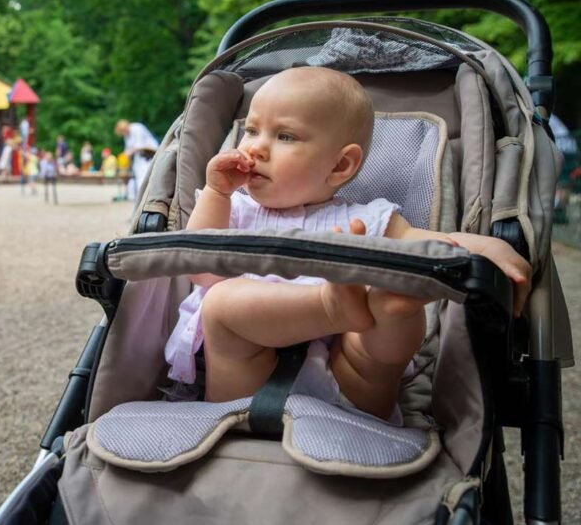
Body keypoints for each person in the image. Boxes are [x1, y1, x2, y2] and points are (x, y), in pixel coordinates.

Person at [165, 67, 531, 422]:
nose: (256, 148)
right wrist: (216, 193)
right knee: (222, 303)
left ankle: (394, 308)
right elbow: (202, 270)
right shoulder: (234, 210)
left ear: (341, 165)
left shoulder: (366, 221)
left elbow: (432, 244)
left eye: (285, 136)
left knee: (388, 305)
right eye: (252, 130)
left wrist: (487, 247)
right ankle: (331, 306)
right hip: (243, 390)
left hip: (349, 389)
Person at [114, 119, 160, 201]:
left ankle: (146, 196)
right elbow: (128, 148)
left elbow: (139, 145)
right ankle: (138, 196)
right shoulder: (127, 134)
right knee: (137, 173)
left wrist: (128, 153)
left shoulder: (137, 128)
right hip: (139, 155)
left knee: (144, 174)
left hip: (149, 153)